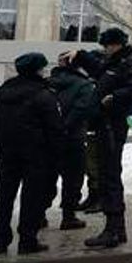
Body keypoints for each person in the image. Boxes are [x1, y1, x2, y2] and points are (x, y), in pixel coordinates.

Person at [65, 27, 132, 249]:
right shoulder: (113, 64)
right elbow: (100, 70)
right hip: (104, 125)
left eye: (109, 45)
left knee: (110, 176)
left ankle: (112, 229)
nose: (106, 49)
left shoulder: (129, 64)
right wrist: (80, 55)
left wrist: (115, 98)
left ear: (118, 44)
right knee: (107, 174)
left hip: (113, 125)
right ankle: (117, 229)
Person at [0, 52, 64, 255]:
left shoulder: (3, 93)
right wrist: (57, 158)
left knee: (4, 198)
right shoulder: (44, 95)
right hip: (36, 156)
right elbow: (54, 129)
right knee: (31, 199)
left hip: (8, 154)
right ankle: (27, 240)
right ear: (38, 70)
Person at [47, 54, 98, 230]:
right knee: (73, 179)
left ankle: (38, 215)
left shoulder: (47, 83)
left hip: (49, 139)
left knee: (45, 178)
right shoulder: (84, 85)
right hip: (73, 139)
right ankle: (68, 216)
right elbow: (83, 110)